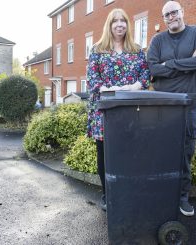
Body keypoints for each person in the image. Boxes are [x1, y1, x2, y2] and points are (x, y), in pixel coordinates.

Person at [147, 0, 196, 216]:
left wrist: (169, 65)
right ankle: (162, 195)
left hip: (189, 105)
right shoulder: (157, 40)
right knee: (161, 152)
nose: (171, 17)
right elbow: (153, 68)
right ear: (163, 19)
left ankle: (182, 197)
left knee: (185, 154)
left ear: (182, 12)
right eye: (167, 15)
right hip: (162, 105)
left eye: (174, 12)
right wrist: (185, 63)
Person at [86, 8, 150, 211]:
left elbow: (145, 76)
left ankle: (129, 192)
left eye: (123, 21)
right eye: (116, 21)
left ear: (128, 25)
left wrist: (133, 87)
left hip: (131, 110)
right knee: (105, 154)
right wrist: (110, 89)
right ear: (109, 24)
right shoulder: (97, 49)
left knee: (131, 153)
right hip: (105, 111)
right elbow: (93, 80)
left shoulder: (137, 50)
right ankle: (108, 194)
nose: (120, 24)